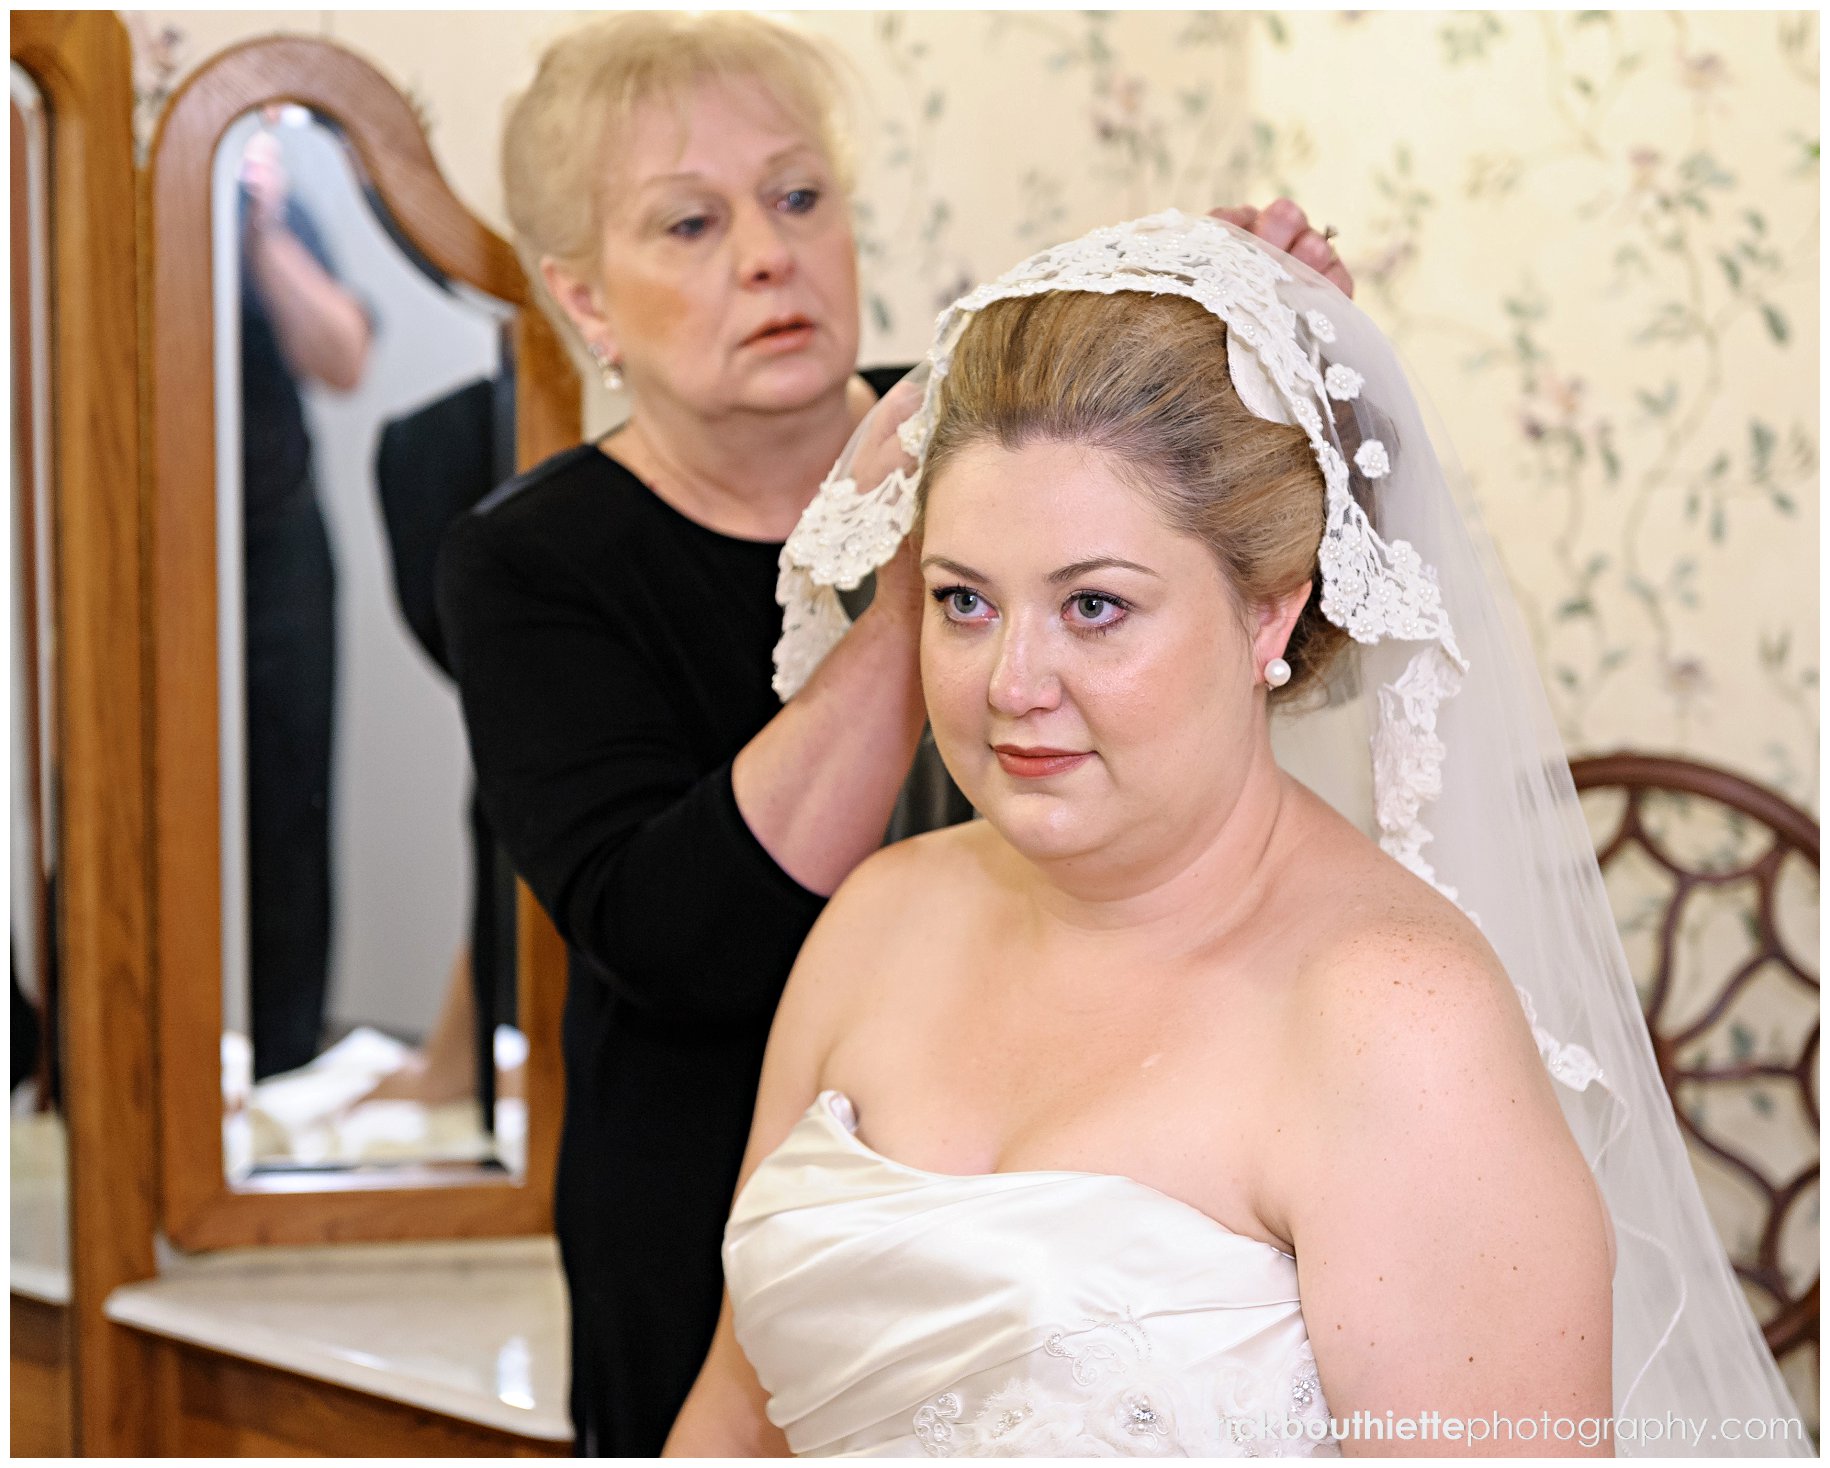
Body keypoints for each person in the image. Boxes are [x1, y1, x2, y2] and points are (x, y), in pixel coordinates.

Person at [665, 213, 1808, 1456]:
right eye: (964, 602)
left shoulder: (1398, 1022)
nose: (1011, 682)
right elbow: (736, 1411)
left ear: (1271, 615)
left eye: (1095, 605)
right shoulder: (878, 918)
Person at [436, 13, 1353, 1456]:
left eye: (798, 197)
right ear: (583, 300)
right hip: (718, 1228)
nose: (765, 253)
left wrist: (1230, 330)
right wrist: (913, 569)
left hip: (1080, 1174)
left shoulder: (993, 442)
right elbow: (676, 937)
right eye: (689, 222)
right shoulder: (533, 564)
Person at [238, 117, 373, 1080]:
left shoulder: (262, 200)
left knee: (291, 810)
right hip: (133, 536)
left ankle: (285, 1068)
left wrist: (259, 232)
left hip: (277, 541)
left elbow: (341, 355)